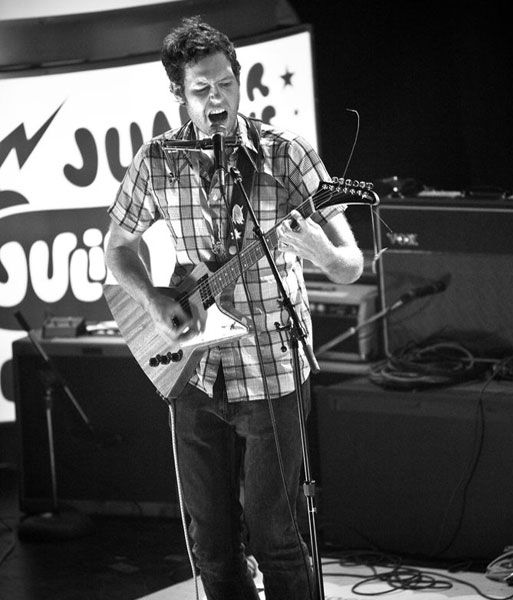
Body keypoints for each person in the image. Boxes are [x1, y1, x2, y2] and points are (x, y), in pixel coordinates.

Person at [104, 15, 363, 600]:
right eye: (202, 88)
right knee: (213, 548)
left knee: (278, 538)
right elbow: (117, 246)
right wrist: (153, 298)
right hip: (194, 372)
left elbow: (350, 265)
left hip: (271, 368)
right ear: (179, 92)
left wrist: (320, 250)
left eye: (226, 83)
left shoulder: (285, 155)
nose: (217, 98)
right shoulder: (157, 160)